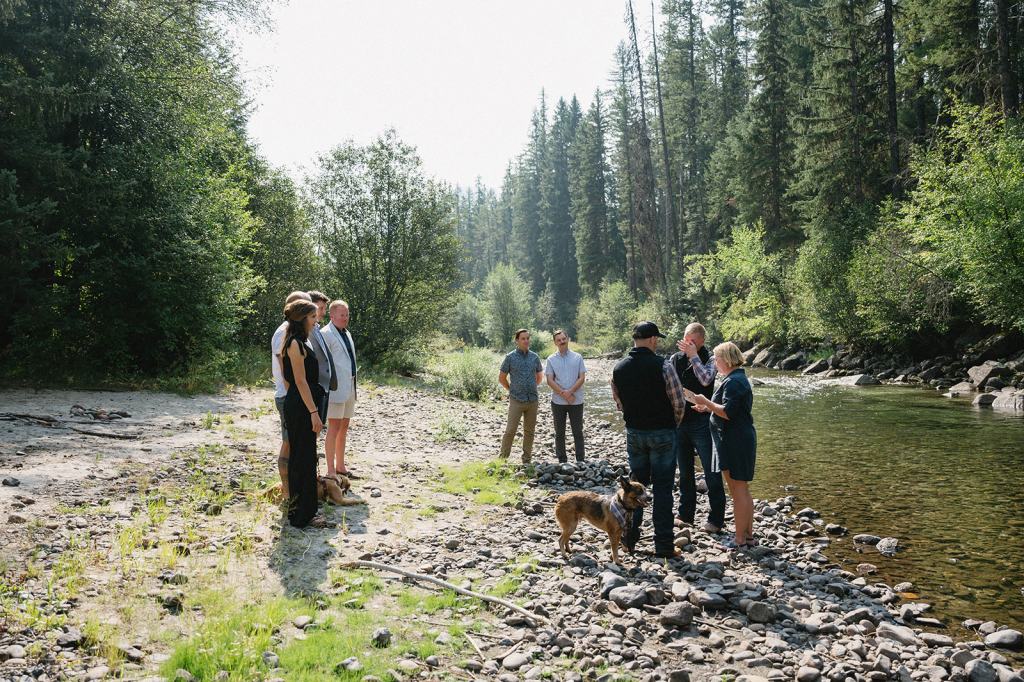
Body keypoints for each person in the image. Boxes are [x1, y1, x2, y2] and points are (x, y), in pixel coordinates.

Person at [610, 321, 687, 559]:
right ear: (653, 339)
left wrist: (633, 417)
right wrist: (673, 424)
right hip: (662, 432)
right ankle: (663, 545)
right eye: (657, 339)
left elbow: (618, 402)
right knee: (663, 490)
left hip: (635, 433)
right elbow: (679, 402)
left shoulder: (618, 368)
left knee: (634, 489)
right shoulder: (664, 365)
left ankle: (629, 540)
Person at [688, 341, 757, 550]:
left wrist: (706, 402)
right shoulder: (735, 379)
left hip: (735, 440)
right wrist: (708, 408)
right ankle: (747, 536)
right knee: (741, 489)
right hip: (735, 438)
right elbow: (730, 410)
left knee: (738, 490)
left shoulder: (734, 381)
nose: (714, 363)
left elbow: (728, 412)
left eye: (716, 359)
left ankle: (739, 539)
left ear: (726, 359)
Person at [670, 322, 725, 534]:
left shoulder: (710, 358)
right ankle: (685, 515)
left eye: (692, 341)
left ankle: (716, 519)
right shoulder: (675, 359)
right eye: (686, 340)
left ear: (701, 341)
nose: (688, 344)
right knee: (685, 472)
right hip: (680, 421)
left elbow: (705, 380)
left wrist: (694, 356)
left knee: (712, 471)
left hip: (703, 422)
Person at [279, 299, 328, 528]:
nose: (316, 320)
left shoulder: (300, 342)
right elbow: (299, 381)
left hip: (300, 404)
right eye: (313, 316)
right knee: (302, 458)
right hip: (302, 407)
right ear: (302, 319)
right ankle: (302, 514)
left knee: (306, 456)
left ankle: (306, 510)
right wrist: (313, 412)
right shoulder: (294, 344)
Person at [272, 290, 313, 499]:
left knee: (296, 444)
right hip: (289, 396)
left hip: (297, 396)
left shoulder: (297, 332)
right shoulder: (284, 332)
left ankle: (296, 491)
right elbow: (286, 372)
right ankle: (288, 494)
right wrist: (296, 401)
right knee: (288, 443)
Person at [322, 300, 357, 480]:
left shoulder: (346, 333)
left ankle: (341, 466)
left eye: (347, 314)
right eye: (342, 315)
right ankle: (330, 470)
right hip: (335, 388)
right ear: (332, 315)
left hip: (349, 385)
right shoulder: (326, 334)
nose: (345, 318)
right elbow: (323, 363)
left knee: (344, 427)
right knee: (334, 427)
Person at [498, 329, 543, 464]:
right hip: (516, 400)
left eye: (528, 338)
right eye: (523, 338)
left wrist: (531, 386)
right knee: (510, 430)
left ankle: (526, 459)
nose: (526, 341)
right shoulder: (510, 357)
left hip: (532, 400)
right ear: (517, 340)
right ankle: (503, 458)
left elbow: (539, 377)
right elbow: (502, 378)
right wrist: (511, 389)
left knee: (529, 431)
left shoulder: (534, 357)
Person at [545, 329, 586, 463]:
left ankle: (580, 459)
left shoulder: (578, 357)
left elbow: (582, 377)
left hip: (576, 400)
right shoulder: (551, 359)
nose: (562, 341)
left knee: (578, 431)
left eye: (564, 339)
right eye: (559, 340)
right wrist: (565, 394)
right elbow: (549, 380)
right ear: (555, 342)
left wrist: (570, 392)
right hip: (558, 402)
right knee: (559, 432)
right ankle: (562, 460)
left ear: (567, 339)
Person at [306, 291, 337, 423]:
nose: (324, 312)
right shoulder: (306, 331)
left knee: (319, 426)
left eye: (324, 308)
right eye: (321, 308)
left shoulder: (317, 328)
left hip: (322, 388)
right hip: (312, 388)